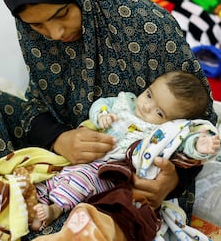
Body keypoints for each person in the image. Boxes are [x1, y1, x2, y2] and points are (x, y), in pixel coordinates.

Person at [0, 0, 217, 241]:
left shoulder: (149, 27)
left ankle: (49, 224)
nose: (55, 33)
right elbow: (38, 105)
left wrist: (172, 179)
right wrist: (60, 139)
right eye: (37, 25)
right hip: (63, 161)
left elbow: (199, 119)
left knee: (120, 208)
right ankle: (8, 208)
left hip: (121, 176)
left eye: (61, 15)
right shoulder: (38, 39)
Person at [31, 70, 220, 232]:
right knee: (48, 174)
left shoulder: (160, 132)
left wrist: (199, 146)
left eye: (159, 112)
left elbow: (183, 141)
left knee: (82, 181)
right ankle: (33, 201)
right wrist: (101, 115)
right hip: (83, 157)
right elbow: (102, 103)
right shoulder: (126, 102)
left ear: (172, 122)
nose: (146, 106)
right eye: (148, 95)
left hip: (108, 172)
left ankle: (56, 208)